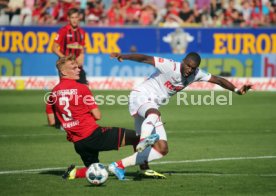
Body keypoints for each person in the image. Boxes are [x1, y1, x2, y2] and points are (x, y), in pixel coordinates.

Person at [108, 52, 252, 180]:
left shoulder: (196, 74)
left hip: (152, 105)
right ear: (183, 62)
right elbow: (145, 58)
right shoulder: (169, 65)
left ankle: (118, 166)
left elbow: (218, 80)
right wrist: (123, 56)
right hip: (140, 96)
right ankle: (144, 141)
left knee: (162, 148)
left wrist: (237, 90)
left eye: (193, 68)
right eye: (188, 66)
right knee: (154, 114)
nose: (190, 70)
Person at [46, 55, 164, 180]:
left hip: (79, 143)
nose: (79, 69)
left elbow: (52, 121)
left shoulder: (53, 92)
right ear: (63, 72)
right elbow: (98, 115)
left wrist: (71, 123)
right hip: (94, 134)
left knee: (94, 170)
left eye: (78, 67)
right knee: (137, 138)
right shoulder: (82, 88)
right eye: (74, 68)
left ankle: (73, 173)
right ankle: (144, 170)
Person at [48, 8, 87, 127]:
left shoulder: (81, 32)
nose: (75, 20)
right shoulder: (63, 31)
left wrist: (80, 58)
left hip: (77, 67)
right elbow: (54, 48)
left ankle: (81, 119)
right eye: (72, 17)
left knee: (84, 90)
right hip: (66, 67)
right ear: (69, 19)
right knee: (64, 93)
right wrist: (65, 59)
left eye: (76, 17)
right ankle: (60, 122)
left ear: (79, 18)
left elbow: (82, 50)